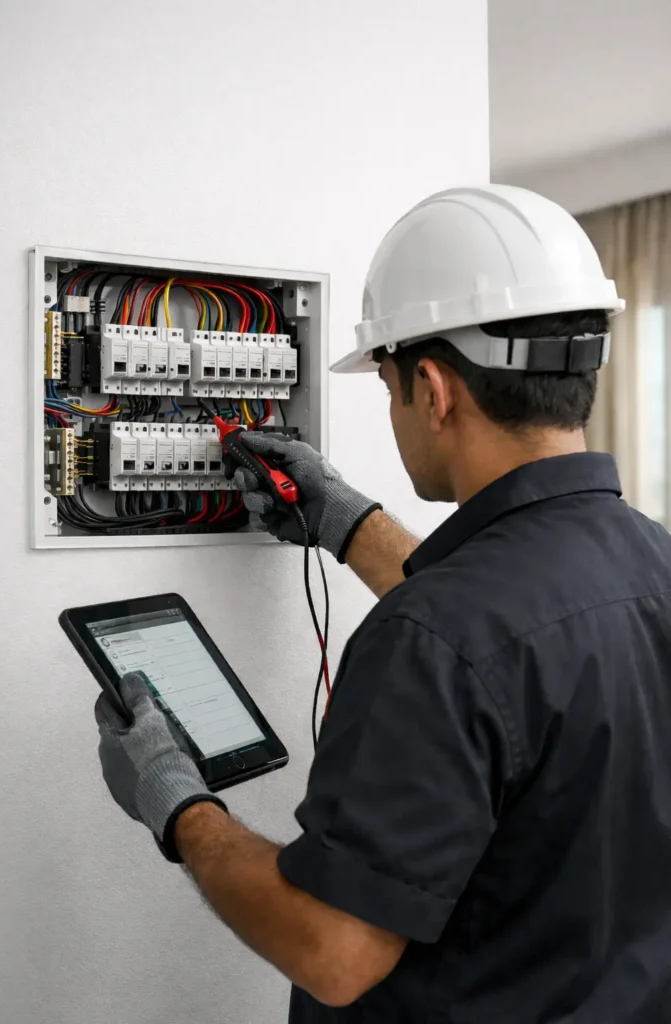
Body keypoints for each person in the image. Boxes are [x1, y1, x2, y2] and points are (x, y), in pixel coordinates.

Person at [94, 185, 671, 1022]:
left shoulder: (432, 638)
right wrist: (348, 522)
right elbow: (511, 648)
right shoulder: (651, 563)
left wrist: (177, 803)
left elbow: (335, 951)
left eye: (389, 385)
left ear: (431, 387)